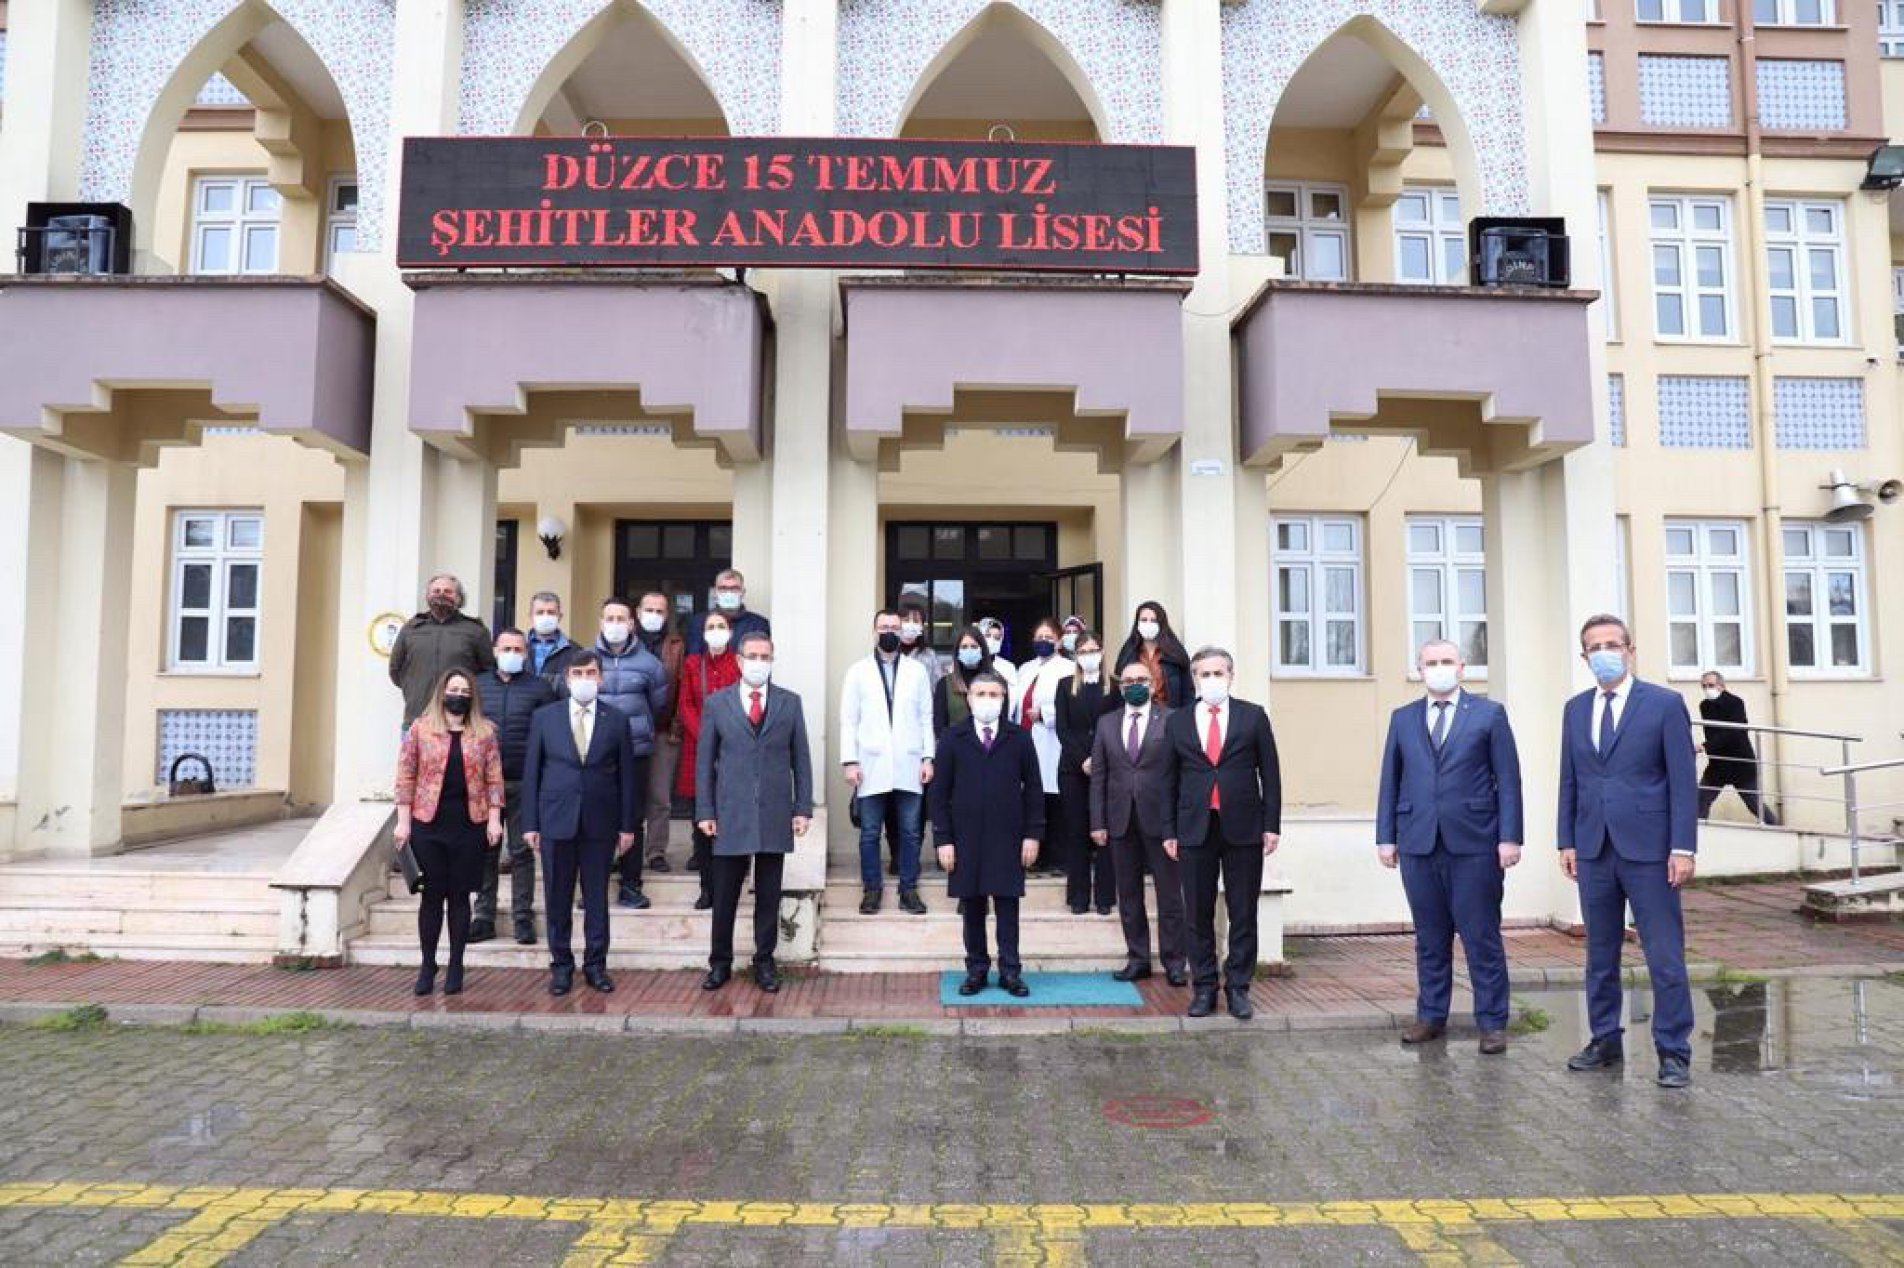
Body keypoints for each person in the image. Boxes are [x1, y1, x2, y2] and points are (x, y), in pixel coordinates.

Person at [1558, 614, 1700, 1089]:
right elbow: (1570, 780)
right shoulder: (1576, 709)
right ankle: (1604, 1040)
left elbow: (1683, 781)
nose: (1604, 653)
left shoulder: (1663, 705)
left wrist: (1683, 847)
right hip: (1594, 848)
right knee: (1600, 954)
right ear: (1584, 657)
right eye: (1595, 647)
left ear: (1630, 650)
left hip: (1651, 851)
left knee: (1664, 954)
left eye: (1612, 644)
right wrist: (1567, 840)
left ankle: (1673, 1051)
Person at [1375, 639, 1524, 1055]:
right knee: (1430, 937)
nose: (1438, 668)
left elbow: (1508, 780)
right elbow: (1390, 780)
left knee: (1481, 936)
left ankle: (1492, 1022)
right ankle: (1431, 1016)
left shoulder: (1489, 714)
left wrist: (1510, 837)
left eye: (1446, 661)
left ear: (1461, 668)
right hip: (1419, 841)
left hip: (1475, 842)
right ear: (1420, 669)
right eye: (1430, 662)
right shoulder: (1403, 718)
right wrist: (1386, 836)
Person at [1162, 646, 1281, 1022]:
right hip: (1194, 828)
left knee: (1243, 911)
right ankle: (1204, 987)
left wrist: (1271, 825)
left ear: (1231, 676)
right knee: (1197, 913)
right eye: (1204, 674)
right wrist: (1169, 830)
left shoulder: (1253, 716)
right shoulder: (1178, 721)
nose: (1212, 679)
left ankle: (1239, 988)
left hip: (1243, 827)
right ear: (1194, 678)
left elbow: (1270, 774)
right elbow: (1167, 780)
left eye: (1218, 673)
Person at [694, 632, 814, 994]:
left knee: (768, 894)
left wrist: (802, 807)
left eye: (766, 656)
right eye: (753, 656)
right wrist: (705, 810)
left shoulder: (789, 703)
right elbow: (704, 763)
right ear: (739, 660)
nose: (759, 662)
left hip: (774, 811)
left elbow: (801, 760)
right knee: (724, 894)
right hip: (730, 812)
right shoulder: (718, 704)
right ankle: (720, 962)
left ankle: (764, 962)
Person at [520, 653, 641, 996]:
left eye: (591, 673)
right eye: (578, 673)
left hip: (600, 823)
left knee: (596, 899)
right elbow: (532, 772)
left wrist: (627, 826)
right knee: (557, 898)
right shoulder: (545, 718)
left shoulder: (617, 720)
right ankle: (561, 967)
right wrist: (530, 823)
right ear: (567, 678)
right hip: (556, 820)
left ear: (600, 678)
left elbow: (627, 778)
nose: (585, 678)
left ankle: (596, 966)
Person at [930, 672, 1045, 998]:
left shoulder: (1019, 738)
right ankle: (976, 970)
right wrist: (943, 839)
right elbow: (938, 794)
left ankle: (1010, 971)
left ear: (1004, 699)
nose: (987, 700)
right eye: (980, 694)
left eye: (994, 694)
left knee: (1008, 907)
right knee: (972, 907)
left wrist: (1033, 834)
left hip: (1008, 836)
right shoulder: (952, 738)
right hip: (965, 838)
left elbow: (1034, 789)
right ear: (968, 698)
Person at [394, 669, 505, 996]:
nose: (459, 695)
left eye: (465, 691)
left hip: (469, 825)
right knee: (431, 897)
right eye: (454, 689)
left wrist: (494, 819)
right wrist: (403, 822)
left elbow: (494, 778)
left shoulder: (485, 732)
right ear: (442, 692)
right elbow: (405, 775)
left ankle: (456, 963)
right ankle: (428, 964)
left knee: (460, 897)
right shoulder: (420, 729)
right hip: (428, 824)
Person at [1091, 659, 1186, 986]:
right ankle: (1138, 958)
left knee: (1170, 895)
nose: (1135, 685)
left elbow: (1181, 774)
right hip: (1120, 820)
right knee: (1129, 895)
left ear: (1153, 684)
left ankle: (1175, 962)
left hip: (1162, 821)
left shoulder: (1172, 720)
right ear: (1121, 688)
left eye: (1141, 680)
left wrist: (1179, 821)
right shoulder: (1106, 723)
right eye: (1128, 681)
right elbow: (1099, 776)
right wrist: (1098, 821)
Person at [840, 610, 936, 914]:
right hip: (871, 763)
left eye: (895, 627)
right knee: (870, 832)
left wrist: (928, 757)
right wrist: (850, 761)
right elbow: (848, 720)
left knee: (911, 832)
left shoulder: (917, 671)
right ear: (874, 631)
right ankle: (872, 889)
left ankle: (909, 890)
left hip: (909, 761)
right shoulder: (858, 672)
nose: (889, 632)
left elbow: (926, 718)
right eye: (884, 627)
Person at [472, 628, 557, 945]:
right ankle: (483, 916)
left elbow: (550, 735)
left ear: (526, 653)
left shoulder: (540, 689)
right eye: (506, 648)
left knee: (522, 851)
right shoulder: (478, 686)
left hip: (525, 781)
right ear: (495, 651)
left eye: (518, 649)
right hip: (484, 783)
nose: (512, 654)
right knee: (486, 851)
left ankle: (523, 917)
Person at [593, 597, 669, 911]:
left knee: (632, 818)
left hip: (635, 750)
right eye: (609, 618)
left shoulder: (650, 664)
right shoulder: (586, 659)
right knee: (597, 819)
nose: (615, 625)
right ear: (601, 623)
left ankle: (631, 885)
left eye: (620, 619)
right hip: (595, 752)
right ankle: (594, 887)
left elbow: (658, 704)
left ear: (631, 624)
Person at [674, 610, 742, 909]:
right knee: (702, 822)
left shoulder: (739, 663)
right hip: (699, 750)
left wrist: (726, 733)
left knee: (731, 822)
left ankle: (731, 886)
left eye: (721, 626)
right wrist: (705, 733)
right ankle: (707, 888)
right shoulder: (693, 664)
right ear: (703, 633)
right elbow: (685, 704)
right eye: (711, 626)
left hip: (733, 750)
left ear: (730, 631)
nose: (716, 630)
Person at [1053, 630, 1118, 915]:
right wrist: (1083, 759)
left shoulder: (1114, 686)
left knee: (1104, 832)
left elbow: (1116, 726)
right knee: (1076, 830)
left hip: (1107, 767)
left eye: (1093, 650)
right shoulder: (1065, 685)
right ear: (1076, 655)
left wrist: (1099, 760)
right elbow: (1062, 729)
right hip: (1073, 768)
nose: (1088, 656)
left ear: (1101, 652)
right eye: (1083, 651)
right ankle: (1078, 897)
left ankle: (1105, 897)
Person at [1009, 617, 1073, 875]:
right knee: (1031, 797)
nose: (1043, 642)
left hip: (1052, 739)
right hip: (1026, 739)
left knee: (1053, 798)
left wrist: (1045, 714)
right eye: (1039, 637)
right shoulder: (1025, 668)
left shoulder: (1068, 668)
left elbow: (1070, 704)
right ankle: (1032, 857)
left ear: (1059, 641)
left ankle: (1057, 858)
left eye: (1048, 637)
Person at [388, 574, 494, 727]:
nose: (441, 595)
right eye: (436, 591)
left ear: (459, 598)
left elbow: (488, 674)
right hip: (417, 718)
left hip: (461, 721)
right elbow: (395, 670)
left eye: (448, 591)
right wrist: (414, 689)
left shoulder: (476, 631)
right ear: (427, 596)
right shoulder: (411, 629)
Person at [635, 592, 688, 872]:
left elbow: (682, 686)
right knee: (626, 794)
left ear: (667, 615)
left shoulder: (676, 646)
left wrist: (677, 725)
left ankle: (655, 851)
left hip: (663, 729)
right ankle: (625, 850)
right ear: (638, 612)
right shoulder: (626, 643)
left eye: (659, 611)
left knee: (660, 797)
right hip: (629, 732)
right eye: (649, 609)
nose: (653, 615)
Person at [1695, 671, 1777, 825]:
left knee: (1754, 804)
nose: (1707, 689)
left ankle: (1777, 829)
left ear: (1721, 686)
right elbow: (1711, 732)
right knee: (1701, 799)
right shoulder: (1705, 706)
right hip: (1718, 763)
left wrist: (1706, 746)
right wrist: (1709, 748)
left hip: (1740, 762)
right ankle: (1697, 832)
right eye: (1704, 686)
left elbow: (1734, 732)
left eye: (1710, 685)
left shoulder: (1735, 703)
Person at [1112, 601, 1193, 710]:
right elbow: (1118, 690)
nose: (1148, 624)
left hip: (1169, 714)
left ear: (1161, 624)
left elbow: (1187, 692)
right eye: (1144, 620)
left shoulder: (1175, 652)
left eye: (1153, 620)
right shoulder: (1128, 652)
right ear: (1137, 623)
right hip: (1136, 713)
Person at [686, 569, 770, 655]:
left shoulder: (758, 624)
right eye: (723, 588)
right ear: (715, 592)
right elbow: (694, 656)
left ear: (743, 592)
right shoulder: (698, 622)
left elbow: (761, 656)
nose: (729, 593)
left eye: (734, 588)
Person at [933, 626, 996, 736]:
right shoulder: (944, 684)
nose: (969, 650)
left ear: (982, 649)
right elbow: (939, 726)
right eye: (964, 647)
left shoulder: (996, 683)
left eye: (974, 646)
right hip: (955, 744)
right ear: (957, 651)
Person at [526, 591, 583, 684]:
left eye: (551, 612)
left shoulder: (575, 651)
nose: (545, 616)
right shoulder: (517, 648)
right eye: (540, 612)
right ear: (530, 616)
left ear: (560, 617)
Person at [897, 600, 944, 680]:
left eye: (916, 621)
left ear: (922, 626)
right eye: (906, 620)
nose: (911, 625)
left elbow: (937, 683)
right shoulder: (890, 652)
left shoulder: (929, 655)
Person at [978, 617, 1017, 685]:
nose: (992, 640)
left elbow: (1013, 689)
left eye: (997, 637)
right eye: (987, 635)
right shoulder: (970, 663)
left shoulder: (1008, 667)